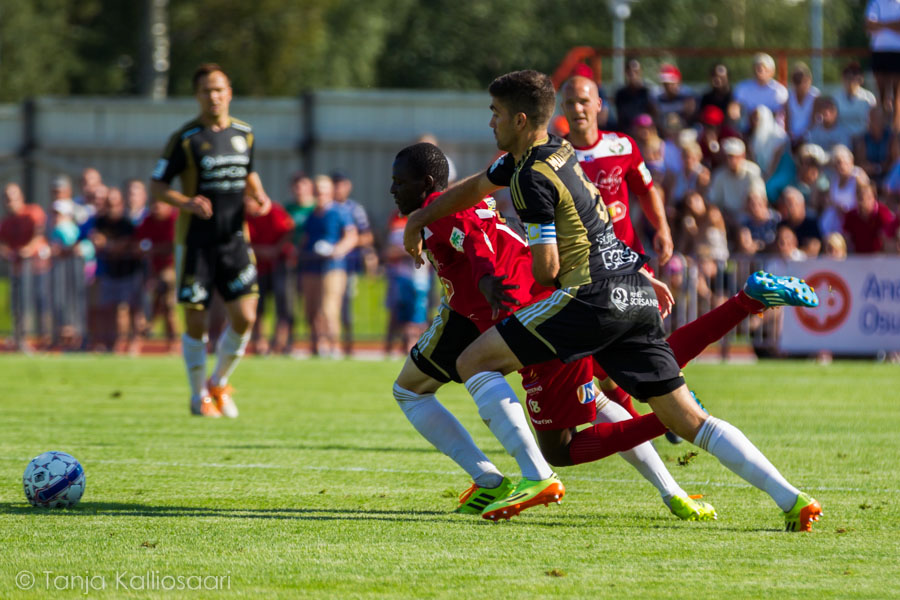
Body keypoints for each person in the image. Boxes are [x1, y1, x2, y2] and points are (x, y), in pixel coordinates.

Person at [403, 70, 822, 531]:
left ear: (519, 120)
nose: (490, 123)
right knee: (691, 421)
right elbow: (478, 185)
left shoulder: (527, 179)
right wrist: (420, 218)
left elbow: (544, 269)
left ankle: (534, 478)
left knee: (473, 362)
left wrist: (547, 274)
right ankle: (792, 498)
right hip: (633, 287)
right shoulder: (556, 152)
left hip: (589, 297)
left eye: (496, 114)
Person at [391, 142, 715, 521]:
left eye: (399, 182)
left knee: (457, 381)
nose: (392, 190)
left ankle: (525, 477)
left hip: (509, 305)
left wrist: (484, 280)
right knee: (594, 398)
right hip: (502, 303)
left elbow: (474, 241)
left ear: (426, 183)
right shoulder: (458, 199)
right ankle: (669, 488)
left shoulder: (443, 212)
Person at [150, 63, 271, 418]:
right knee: (197, 322)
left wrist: (260, 195)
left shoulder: (244, 133)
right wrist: (185, 202)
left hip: (235, 239)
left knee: (246, 316)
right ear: (197, 96)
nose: (214, 96)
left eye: (219, 89)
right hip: (196, 243)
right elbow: (157, 186)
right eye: (206, 90)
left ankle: (218, 382)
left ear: (229, 92)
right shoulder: (185, 139)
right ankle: (197, 395)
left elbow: (248, 172)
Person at [298, 175, 357, 358]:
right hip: (311, 266)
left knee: (329, 309)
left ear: (330, 192)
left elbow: (351, 236)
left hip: (333, 267)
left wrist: (336, 250)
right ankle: (317, 346)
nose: (320, 195)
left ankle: (333, 346)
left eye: (323, 191)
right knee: (311, 310)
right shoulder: (311, 215)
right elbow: (306, 239)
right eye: (317, 192)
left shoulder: (340, 212)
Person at [90, 187, 145, 354]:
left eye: (115, 204)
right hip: (109, 271)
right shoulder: (100, 221)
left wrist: (108, 245)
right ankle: (112, 343)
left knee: (127, 310)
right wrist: (110, 246)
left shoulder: (127, 223)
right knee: (107, 309)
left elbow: (122, 245)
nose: (112, 208)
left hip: (128, 272)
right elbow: (96, 240)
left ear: (121, 204)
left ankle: (129, 343)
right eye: (109, 204)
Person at [0, 182, 51, 351]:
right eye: (6, 199)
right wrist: (7, 253)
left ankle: (46, 340)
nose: (10, 202)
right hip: (19, 272)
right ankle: (22, 340)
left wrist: (28, 249)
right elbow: (3, 244)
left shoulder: (33, 212)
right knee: (20, 306)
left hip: (38, 269)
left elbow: (39, 232)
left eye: (13, 197)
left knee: (42, 304)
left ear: (20, 197)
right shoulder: (6, 223)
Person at [332, 171, 375, 356]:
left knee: (345, 306)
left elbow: (367, 236)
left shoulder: (354, 209)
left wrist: (345, 242)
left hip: (348, 265)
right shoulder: (327, 207)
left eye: (341, 184)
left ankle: (348, 345)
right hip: (326, 266)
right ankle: (332, 345)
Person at [246, 198, 295, 354]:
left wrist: (275, 249)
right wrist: (260, 251)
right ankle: (260, 343)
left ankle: (281, 343)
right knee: (258, 307)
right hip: (257, 267)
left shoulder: (274, 211)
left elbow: (288, 230)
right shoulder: (243, 216)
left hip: (279, 265)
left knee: (283, 304)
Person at [135, 199, 179, 352]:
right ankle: (148, 328)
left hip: (174, 269)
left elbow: (172, 246)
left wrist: (152, 250)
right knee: (158, 303)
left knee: (168, 306)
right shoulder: (149, 220)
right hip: (153, 271)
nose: (156, 208)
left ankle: (172, 342)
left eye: (160, 204)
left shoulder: (175, 219)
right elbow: (138, 242)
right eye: (154, 204)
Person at [707, 137, 765, 225]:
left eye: (734, 157)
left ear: (742, 156)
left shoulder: (753, 172)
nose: (731, 160)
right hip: (728, 218)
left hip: (749, 217)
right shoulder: (719, 175)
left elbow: (759, 199)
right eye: (728, 157)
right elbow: (714, 201)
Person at [866, 0, 900, 130]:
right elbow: (869, 24)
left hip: (897, 52)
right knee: (881, 94)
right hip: (879, 52)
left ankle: (895, 129)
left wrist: (881, 24)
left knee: (897, 94)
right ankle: (882, 127)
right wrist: (892, 24)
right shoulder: (875, 3)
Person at [843, 178, 899, 253]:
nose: (864, 201)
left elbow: (888, 239)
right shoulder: (850, 216)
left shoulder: (883, 213)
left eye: (868, 198)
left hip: (879, 258)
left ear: (874, 198)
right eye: (861, 198)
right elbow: (846, 240)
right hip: (857, 258)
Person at [733, 53, 789, 126]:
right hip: (748, 130)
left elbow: (779, 114)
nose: (760, 71)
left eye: (764, 68)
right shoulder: (743, 87)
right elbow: (735, 107)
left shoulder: (779, 90)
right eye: (757, 68)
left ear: (772, 71)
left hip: (772, 131)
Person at [835, 61, 878, 139]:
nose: (850, 81)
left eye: (853, 77)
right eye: (847, 77)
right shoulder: (835, 98)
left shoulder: (869, 97)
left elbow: (872, 122)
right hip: (841, 138)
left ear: (860, 79)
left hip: (863, 138)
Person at [615, 59, 656, 135]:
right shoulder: (620, 94)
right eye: (630, 72)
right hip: (627, 133)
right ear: (626, 73)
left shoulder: (647, 92)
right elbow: (621, 119)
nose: (633, 75)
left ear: (640, 72)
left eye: (636, 72)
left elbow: (654, 115)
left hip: (645, 133)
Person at [785, 62, 820, 146]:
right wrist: (791, 135)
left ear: (809, 80)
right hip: (792, 137)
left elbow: (814, 121)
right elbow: (787, 120)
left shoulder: (815, 95)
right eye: (796, 80)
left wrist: (803, 136)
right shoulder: (789, 96)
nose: (800, 84)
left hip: (810, 136)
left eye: (803, 80)